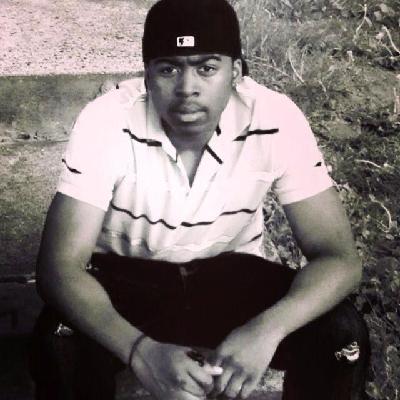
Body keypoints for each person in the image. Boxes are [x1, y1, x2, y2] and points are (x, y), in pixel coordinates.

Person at [29, 0, 370, 399]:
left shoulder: (275, 117)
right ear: (147, 75)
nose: (187, 88)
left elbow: (338, 258)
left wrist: (266, 329)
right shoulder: (107, 120)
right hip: (128, 279)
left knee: (342, 335)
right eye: (168, 69)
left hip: (230, 276)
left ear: (236, 72)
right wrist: (140, 352)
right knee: (58, 340)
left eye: (207, 68)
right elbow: (58, 267)